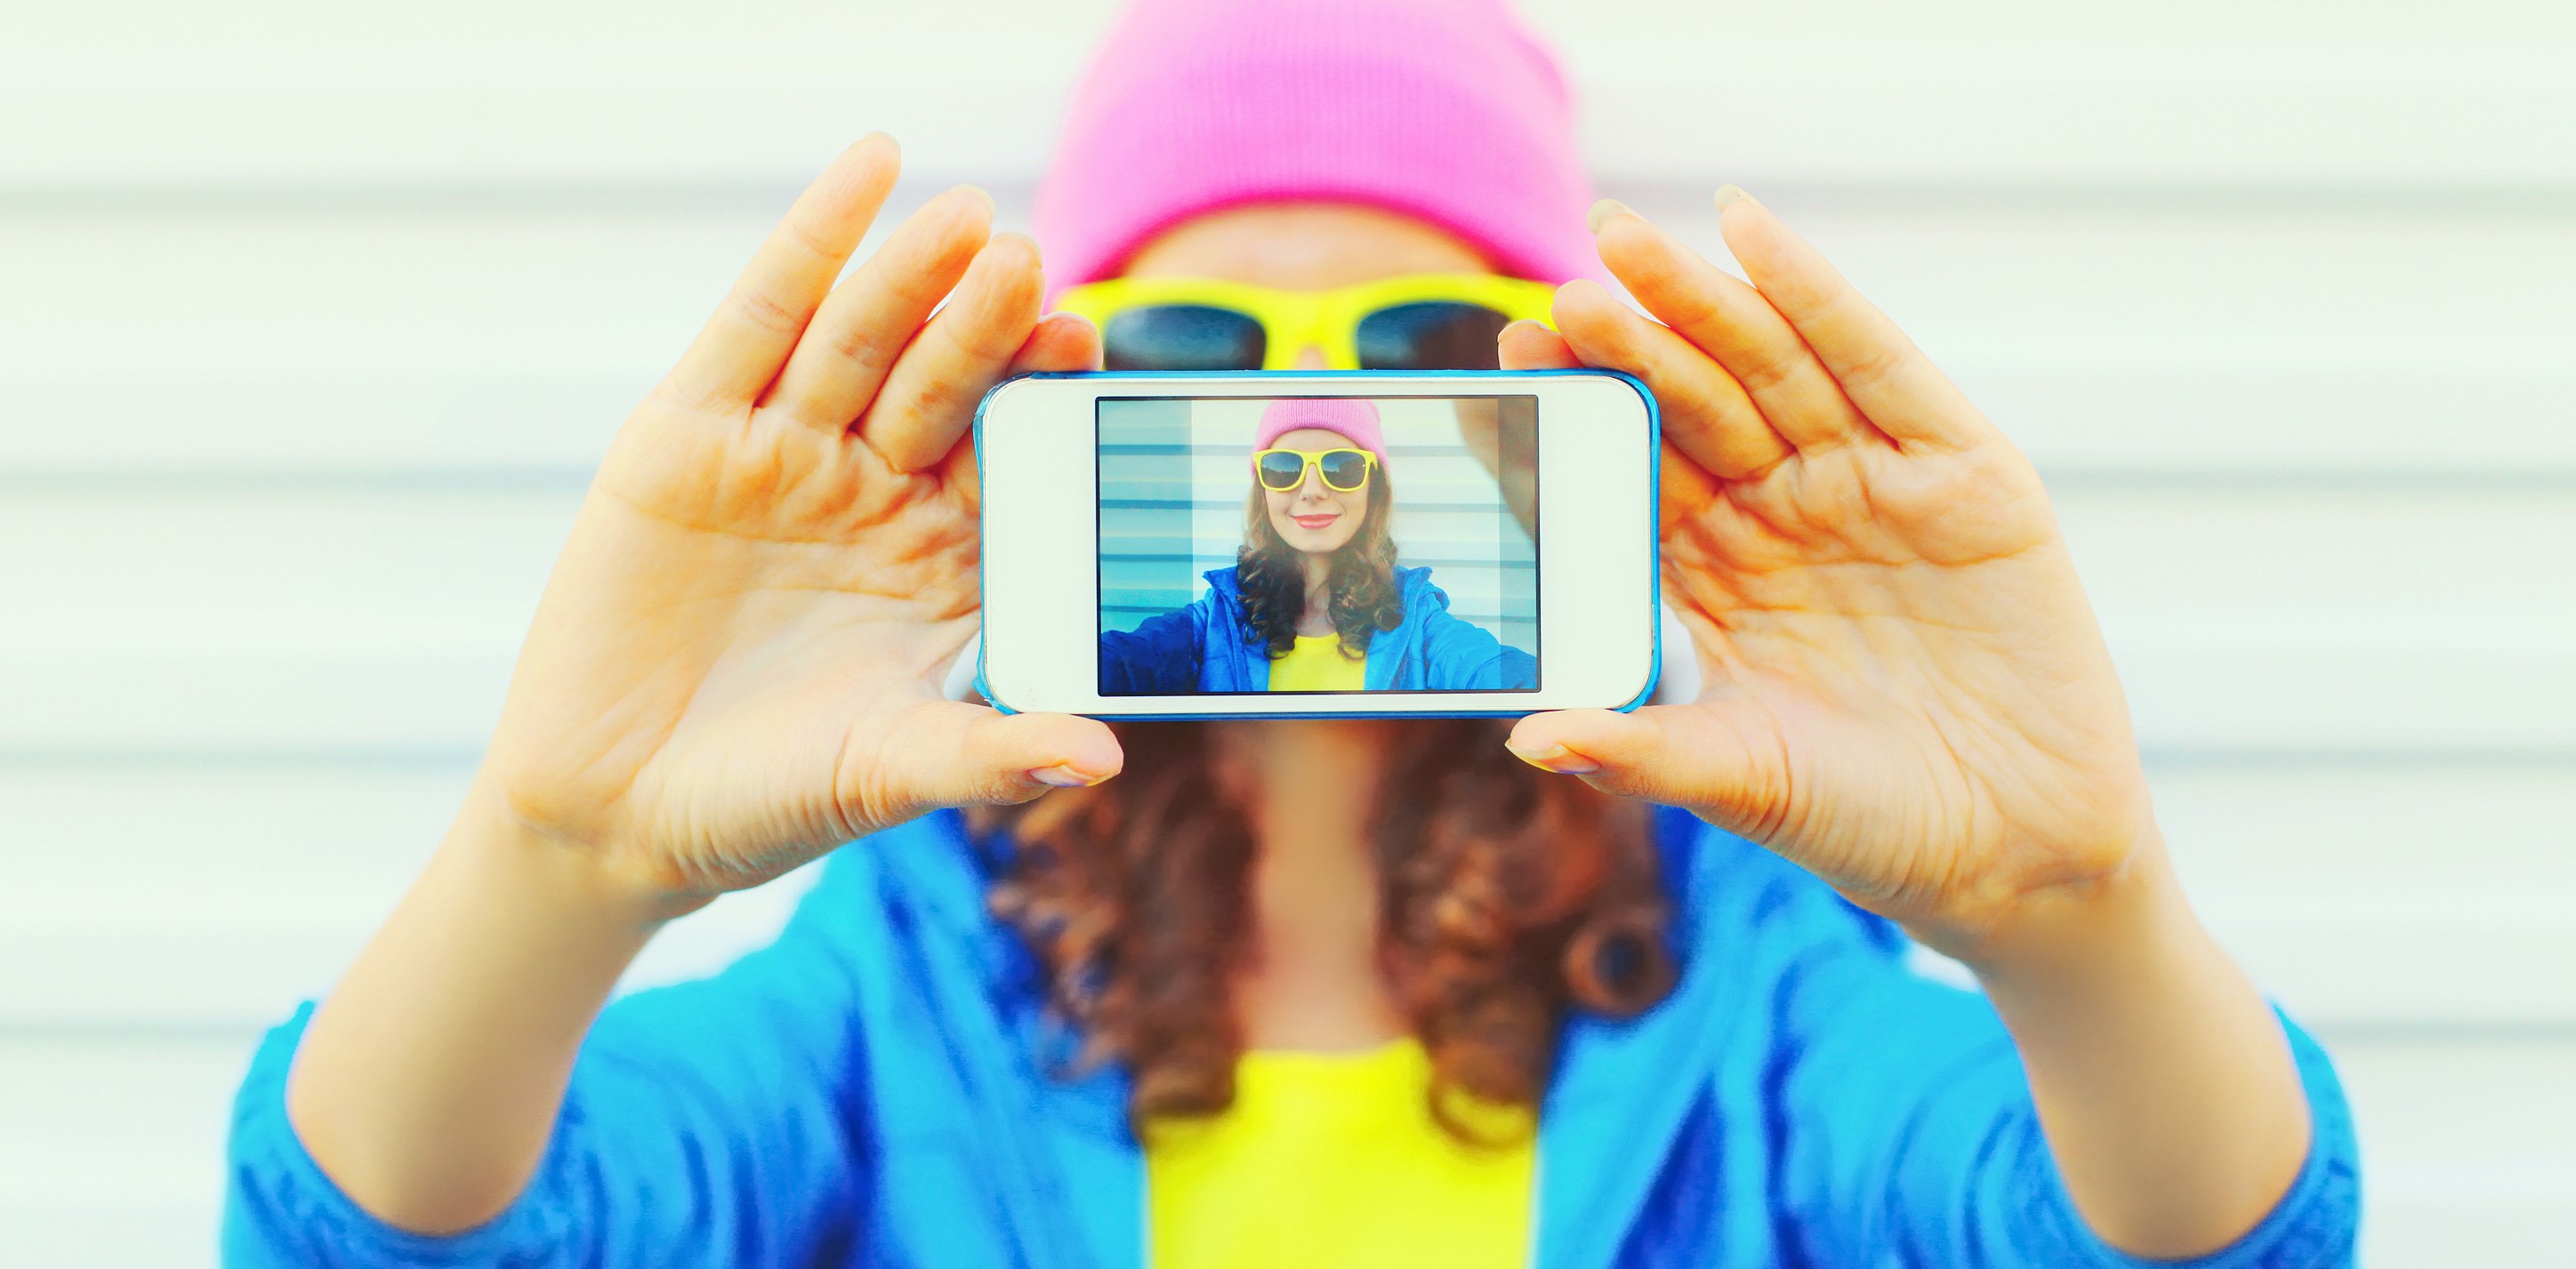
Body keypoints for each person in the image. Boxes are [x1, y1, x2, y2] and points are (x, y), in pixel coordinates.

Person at [223, 1, 2359, 1266]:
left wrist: (2081, 911)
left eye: (1421, 343)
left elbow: (2146, 1232)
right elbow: (422, 1229)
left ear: (1553, 395)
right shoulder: (907, 958)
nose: (1313, 423)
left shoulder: (1741, 964)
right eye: (1196, 343)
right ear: (1073, 396)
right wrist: (548, 847)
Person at [1098, 397, 1541, 695]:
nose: (1311, 490)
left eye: (1342, 467)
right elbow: (1115, 664)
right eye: (1284, 468)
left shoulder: (1417, 620)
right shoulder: (1214, 621)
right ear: (1263, 490)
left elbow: (1496, 670)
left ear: (1373, 489)